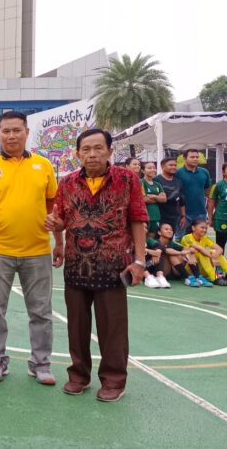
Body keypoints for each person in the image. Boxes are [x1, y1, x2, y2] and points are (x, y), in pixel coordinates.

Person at [45, 128, 148, 402]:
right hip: (76, 264)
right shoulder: (67, 183)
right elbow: (61, 218)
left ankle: (114, 379)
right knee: (76, 325)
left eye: (98, 148)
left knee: (112, 327)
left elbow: (137, 219)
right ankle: (78, 375)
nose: (92, 154)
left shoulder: (127, 180)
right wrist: (57, 232)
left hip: (113, 264)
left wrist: (139, 260)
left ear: (110, 151)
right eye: (86, 149)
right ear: (77, 153)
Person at [0, 110, 62, 385]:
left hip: (37, 250)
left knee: (41, 311)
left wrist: (60, 242)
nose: (11, 135)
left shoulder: (44, 166)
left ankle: (41, 363)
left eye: (16, 130)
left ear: (26, 132)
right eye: (6, 131)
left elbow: (53, 207)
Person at [180, 219, 227, 286]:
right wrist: (212, 258)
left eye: (206, 228)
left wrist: (214, 257)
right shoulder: (186, 238)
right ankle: (214, 277)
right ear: (193, 228)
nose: (205, 230)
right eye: (202, 227)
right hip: (190, 269)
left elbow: (220, 249)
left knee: (214, 251)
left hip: (203, 270)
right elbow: (200, 249)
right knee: (201, 252)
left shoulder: (205, 238)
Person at [144, 223, 199, 288]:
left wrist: (189, 252)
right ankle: (187, 277)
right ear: (159, 232)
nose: (169, 231)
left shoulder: (172, 243)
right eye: (166, 229)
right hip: (151, 266)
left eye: (171, 230)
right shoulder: (154, 242)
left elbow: (188, 249)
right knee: (170, 254)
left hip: (169, 271)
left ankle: (197, 276)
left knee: (187, 253)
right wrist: (181, 253)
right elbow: (165, 250)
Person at [175, 149, 212, 232]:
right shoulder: (177, 173)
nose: (195, 159)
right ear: (185, 159)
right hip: (183, 214)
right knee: (180, 239)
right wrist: (181, 214)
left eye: (197, 157)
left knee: (199, 238)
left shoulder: (204, 172)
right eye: (192, 157)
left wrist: (209, 213)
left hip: (201, 212)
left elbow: (207, 191)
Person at [156, 157, 185, 241]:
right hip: (160, 217)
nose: (173, 167)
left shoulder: (178, 182)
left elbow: (182, 200)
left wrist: (183, 216)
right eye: (170, 165)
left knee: (169, 240)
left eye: (175, 165)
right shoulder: (156, 180)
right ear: (163, 166)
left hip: (175, 217)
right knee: (158, 240)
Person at [141, 161, 166, 238]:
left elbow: (164, 199)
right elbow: (144, 199)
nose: (152, 170)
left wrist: (153, 196)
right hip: (145, 215)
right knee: (144, 238)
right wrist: (158, 198)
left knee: (152, 237)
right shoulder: (141, 182)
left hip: (155, 215)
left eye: (154, 168)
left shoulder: (157, 184)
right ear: (143, 170)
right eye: (149, 168)